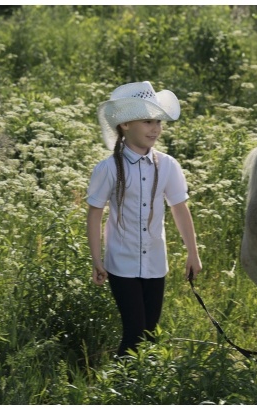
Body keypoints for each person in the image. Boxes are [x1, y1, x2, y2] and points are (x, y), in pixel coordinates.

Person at [86, 81, 202, 356]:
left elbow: (179, 209)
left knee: (150, 332)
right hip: (121, 263)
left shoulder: (169, 165)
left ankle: (136, 388)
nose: (156, 129)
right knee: (134, 332)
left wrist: (192, 253)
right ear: (125, 124)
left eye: (158, 121)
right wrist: (96, 259)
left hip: (154, 262)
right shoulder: (108, 168)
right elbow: (94, 214)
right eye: (148, 121)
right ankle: (117, 388)